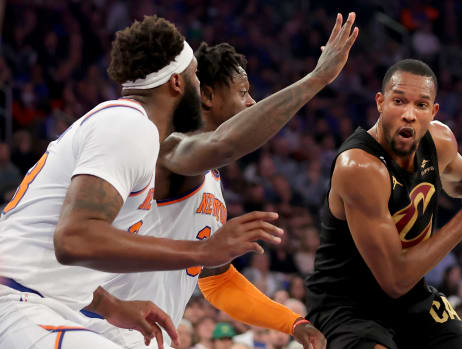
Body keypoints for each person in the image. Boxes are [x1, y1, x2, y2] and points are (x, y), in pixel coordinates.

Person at [0, 12, 357, 348]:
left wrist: (291, 322)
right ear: (184, 86)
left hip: (74, 312)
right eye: (242, 92)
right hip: (41, 309)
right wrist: (316, 79)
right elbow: (73, 240)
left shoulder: (192, 171)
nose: (252, 103)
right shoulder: (145, 136)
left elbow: (216, 279)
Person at [305, 59, 462, 348]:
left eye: (421, 105)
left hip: (410, 298)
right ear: (380, 102)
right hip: (346, 304)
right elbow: (395, 280)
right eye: (399, 101)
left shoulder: (439, 141)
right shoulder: (359, 167)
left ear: (434, 111)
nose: (409, 114)